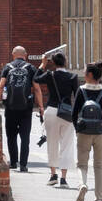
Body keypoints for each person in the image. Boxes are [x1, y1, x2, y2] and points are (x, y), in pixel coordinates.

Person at [71, 61, 102, 201]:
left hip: (83, 131)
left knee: (81, 164)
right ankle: (99, 200)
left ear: (90, 75)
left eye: (85, 73)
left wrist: (77, 128)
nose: (83, 75)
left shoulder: (81, 90)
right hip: (100, 131)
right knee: (99, 165)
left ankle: (82, 185)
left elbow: (74, 113)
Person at [0, 46, 39, 172]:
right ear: (26, 55)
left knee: (11, 136)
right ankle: (23, 165)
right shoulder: (30, 68)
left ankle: (13, 162)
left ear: (13, 55)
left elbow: (1, 86)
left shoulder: (8, 67)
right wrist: (41, 107)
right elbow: (37, 88)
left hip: (10, 107)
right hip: (26, 108)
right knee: (25, 137)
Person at [34, 51, 77, 188]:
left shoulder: (49, 74)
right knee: (66, 145)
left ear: (53, 62)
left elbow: (35, 78)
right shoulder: (73, 76)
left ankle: (53, 175)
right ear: (65, 61)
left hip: (51, 111)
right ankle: (64, 178)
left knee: (52, 144)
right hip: (67, 113)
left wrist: (43, 64)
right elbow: (77, 95)